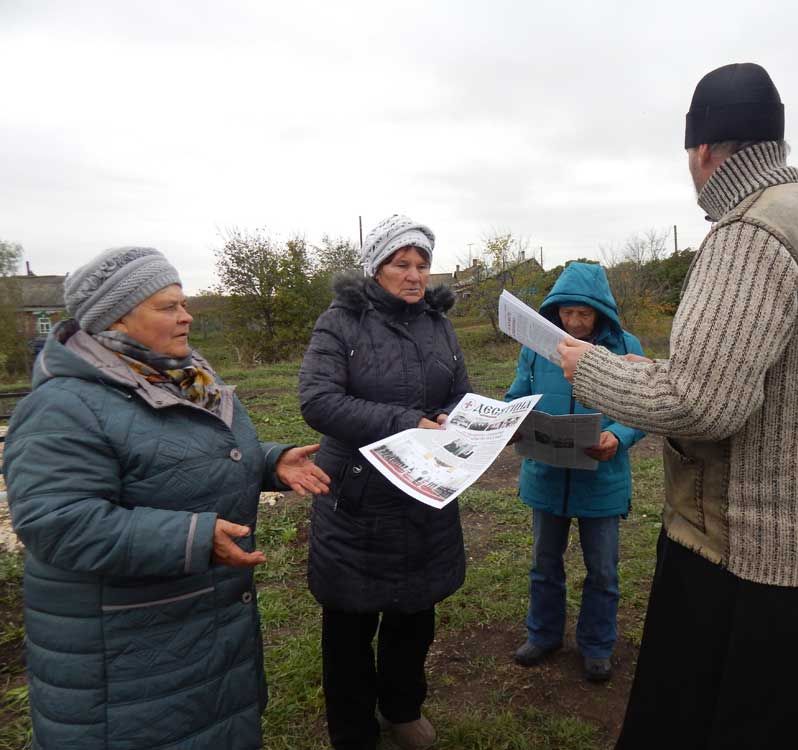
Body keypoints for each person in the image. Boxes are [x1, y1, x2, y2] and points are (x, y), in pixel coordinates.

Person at [557, 63, 798, 749]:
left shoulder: (748, 232)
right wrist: (656, 370)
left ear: (702, 151)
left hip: (749, 563)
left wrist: (593, 370)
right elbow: (765, 377)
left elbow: (703, 407)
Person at [3, 247, 330, 750]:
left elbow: (183, 457)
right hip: (125, 657)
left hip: (200, 626)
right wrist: (191, 536)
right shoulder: (63, 406)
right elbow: (57, 522)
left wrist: (269, 462)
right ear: (116, 317)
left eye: (183, 303)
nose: (187, 316)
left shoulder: (187, 379)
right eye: (167, 306)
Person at [299, 214, 470, 750]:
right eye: (402, 263)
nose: (415, 275)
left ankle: (402, 708)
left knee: (415, 615)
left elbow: (456, 391)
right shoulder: (341, 322)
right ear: (376, 267)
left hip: (425, 495)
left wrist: (465, 420)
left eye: (422, 264)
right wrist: (406, 422)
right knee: (350, 624)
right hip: (357, 499)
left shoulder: (438, 323)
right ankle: (353, 730)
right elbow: (318, 400)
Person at [504, 262, 645, 682]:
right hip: (546, 477)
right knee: (544, 564)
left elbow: (641, 409)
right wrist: (512, 421)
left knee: (602, 570)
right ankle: (543, 635)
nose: (574, 322)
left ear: (601, 312)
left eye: (583, 314)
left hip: (602, 480)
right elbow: (516, 396)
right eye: (566, 313)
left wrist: (617, 437)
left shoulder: (625, 347)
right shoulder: (535, 347)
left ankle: (597, 645)